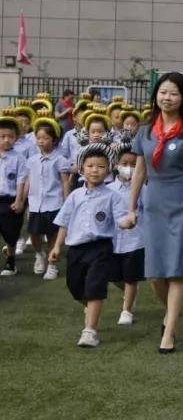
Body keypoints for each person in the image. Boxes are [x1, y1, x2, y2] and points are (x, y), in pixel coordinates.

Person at [120, 71, 183, 354]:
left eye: (173, 93)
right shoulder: (145, 131)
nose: (167, 97)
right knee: (155, 274)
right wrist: (132, 207)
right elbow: (139, 172)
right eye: (163, 92)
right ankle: (171, 314)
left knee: (176, 271)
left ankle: (168, 333)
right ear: (156, 95)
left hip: (181, 202)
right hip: (154, 202)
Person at [49, 143, 129, 348]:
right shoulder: (75, 196)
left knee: (94, 286)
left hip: (100, 248)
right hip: (76, 249)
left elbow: (121, 219)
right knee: (75, 286)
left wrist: (128, 221)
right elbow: (64, 222)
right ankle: (92, 308)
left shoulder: (113, 196)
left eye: (101, 166)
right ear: (82, 169)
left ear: (109, 169)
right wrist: (57, 247)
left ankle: (90, 330)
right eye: (91, 166)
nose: (95, 170)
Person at [26, 117, 69, 281]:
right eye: (39, 138)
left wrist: (66, 202)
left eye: (45, 138)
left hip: (54, 203)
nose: (41, 141)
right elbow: (30, 181)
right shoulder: (32, 160)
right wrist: (26, 199)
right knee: (34, 234)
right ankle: (39, 254)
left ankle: (52, 265)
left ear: (54, 139)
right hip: (36, 204)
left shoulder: (60, 160)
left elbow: (65, 181)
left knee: (53, 235)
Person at [110, 141, 144, 325]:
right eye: (125, 164)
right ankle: (129, 294)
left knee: (131, 277)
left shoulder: (143, 189)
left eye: (133, 164)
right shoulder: (109, 190)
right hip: (114, 241)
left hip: (136, 240)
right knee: (115, 276)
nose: (129, 168)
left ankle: (127, 310)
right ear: (116, 165)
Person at [0, 116, 30, 276]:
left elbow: (21, 180)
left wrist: (19, 201)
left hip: (10, 201)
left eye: (10, 137)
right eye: (2, 136)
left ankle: (11, 262)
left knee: (10, 234)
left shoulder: (18, 158)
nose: (6, 140)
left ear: (16, 138)